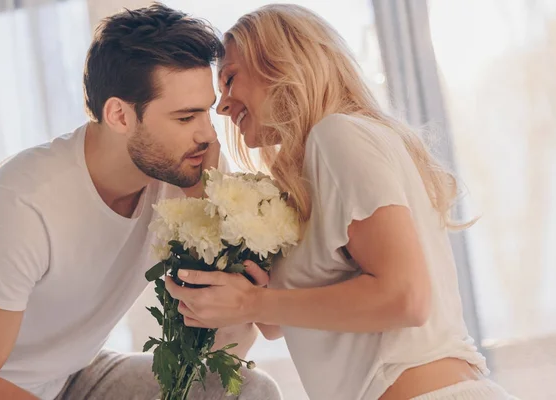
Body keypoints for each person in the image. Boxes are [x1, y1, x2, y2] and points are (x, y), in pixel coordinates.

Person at [165, 4, 517, 400]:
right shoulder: (317, 168)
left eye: (229, 79)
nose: (222, 105)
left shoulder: (338, 136)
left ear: (281, 62)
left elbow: (406, 299)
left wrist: (254, 301)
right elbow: (281, 324)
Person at [0, 4, 281, 400]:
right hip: (1, 388)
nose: (207, 135)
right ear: (119, 115)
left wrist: (207, 203)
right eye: (185, 118)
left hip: (76, 376)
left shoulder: (184, 169)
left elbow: (259, 332)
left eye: (206, 113)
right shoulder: (17, 207)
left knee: (249, 391)